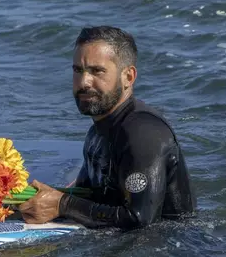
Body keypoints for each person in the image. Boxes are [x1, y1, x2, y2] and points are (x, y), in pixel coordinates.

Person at [19, 26, 196, 229]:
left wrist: (63, 204)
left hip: (173, 252)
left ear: (128, 77)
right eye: (78, 70)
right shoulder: (97, 133)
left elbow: (141, 220)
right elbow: (90, 197)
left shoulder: (143, 133)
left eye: (97, 71)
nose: (84, 82)